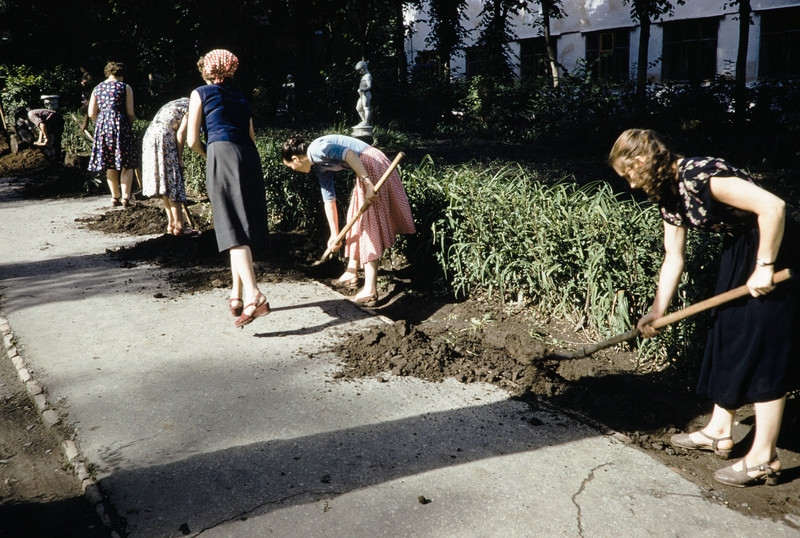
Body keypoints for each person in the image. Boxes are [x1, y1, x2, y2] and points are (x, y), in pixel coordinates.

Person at [609, 128, 799, 487]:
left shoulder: (700, 174)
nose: (631, 184)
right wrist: (657, 310)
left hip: (775, 248)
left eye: (629, 174)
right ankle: (719, 430)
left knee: (762, 349)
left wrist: (765, 266)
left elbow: (773, 206)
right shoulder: (668, 195)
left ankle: (764, 457)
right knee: (726, 334)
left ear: (642, 160)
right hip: (739, 250)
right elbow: (673, 257)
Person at [187, 49, 271, 328]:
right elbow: (251, 136)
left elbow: (191, 140)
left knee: (231, 228)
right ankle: (236, 294)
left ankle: (254, 294)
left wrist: (210, 155)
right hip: (248, 157)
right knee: (241, 225)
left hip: (222, 153)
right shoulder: (241, 97)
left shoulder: (200, 93)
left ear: (206, 71)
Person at [281, 134, 416, 305]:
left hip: (372, 165)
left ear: (295, 158)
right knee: (355, 218)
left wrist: (367, 183)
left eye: (290, 166)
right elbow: (329, 200)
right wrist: (334, 234)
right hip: (365, 169)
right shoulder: (319, 166)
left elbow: (349, 154)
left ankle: (370, 290)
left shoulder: (316, 149)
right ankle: (352, 272)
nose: (293, 170)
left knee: (369, 226)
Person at [141, 97, 196, 236]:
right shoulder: (192, 109)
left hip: (150, 136)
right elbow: (181, 134)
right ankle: (179, 226)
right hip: (164, 137)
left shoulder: (179, 103)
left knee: (164, 182)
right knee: (173, 181)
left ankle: (171, 224)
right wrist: (179, 158)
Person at [87, 61, 138, 207]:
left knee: (109, 163)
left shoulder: (97, 88)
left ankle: (115, 197)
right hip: (121, 125)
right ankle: (126, 197)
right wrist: (128, 125)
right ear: (122, 74)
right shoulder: (125, 87)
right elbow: (130, 113)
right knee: (127, 163)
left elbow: (91, 113)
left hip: (103, 126)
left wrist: (102, 123)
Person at [354, 61, 372, 127]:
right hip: (361, 95)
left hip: (366, 94)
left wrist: (363, 89)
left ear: (362, 69)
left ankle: (366, 122)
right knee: (358, 108)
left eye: (359, 71)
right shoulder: (364, 76)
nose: (359, 73)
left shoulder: (368, 76)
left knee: (366, 108)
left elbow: (369, 86)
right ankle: (364, 121)